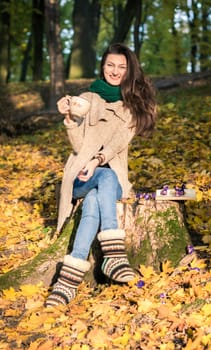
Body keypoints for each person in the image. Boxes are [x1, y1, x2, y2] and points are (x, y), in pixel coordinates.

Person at [45, 43, 157, 307]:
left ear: (129, 70)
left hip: (111, 176)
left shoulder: (133, 104)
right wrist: (71, 119)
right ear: (102, 66)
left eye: (121, 67)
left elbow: (119, 141)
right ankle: (114, 256)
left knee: (101, 189)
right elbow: (76, 146)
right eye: (110, 65)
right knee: (99, 184)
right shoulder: (88, 98)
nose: (115, 71)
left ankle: (67, 282)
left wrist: (97, 161)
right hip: (82, 175)